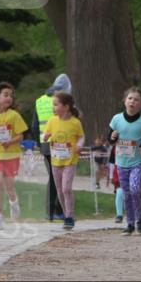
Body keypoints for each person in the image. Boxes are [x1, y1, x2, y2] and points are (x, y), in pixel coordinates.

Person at [108, 87, 141, 235]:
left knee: (135, 189)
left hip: (137, 162)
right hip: (121, 163)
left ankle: (139, 220)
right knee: (126, 194)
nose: (132, 102)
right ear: (125, 101)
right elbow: (110, 139)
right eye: (130, 98)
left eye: (136, 100)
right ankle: (130, 224)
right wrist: (113, 137)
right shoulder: (116, 119)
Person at [0, 81, 28, 230]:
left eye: (11, 96)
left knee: (9, 187)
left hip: (11, 155)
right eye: (6, 95)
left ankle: (13, 202)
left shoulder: (14, 116)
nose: (9, 98)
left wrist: (10, 141)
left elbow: (21, 136)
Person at [42, 91, 85, 230]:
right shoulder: (52, 121)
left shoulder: (75, 122)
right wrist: (46, 136)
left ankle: (69, 216)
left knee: (66, 188)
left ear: (66, 107)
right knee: (60, 190)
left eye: (56, 104)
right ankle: (67, 215)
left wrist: (79, 145)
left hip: (70, 161)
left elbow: (81, 136)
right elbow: (46, 134)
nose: (53, 107)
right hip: (56, 161)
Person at [31, 74, 71, 221]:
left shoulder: (40, 101)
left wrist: (39, 144)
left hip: (45, 145)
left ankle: (51, 212)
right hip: (61, 145)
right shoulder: (64, 102)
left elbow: (34, 126)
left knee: (54, 178)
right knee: (61, 178)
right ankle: (58, 211)